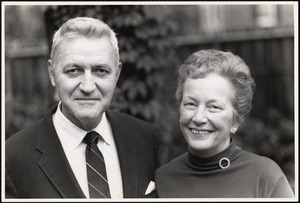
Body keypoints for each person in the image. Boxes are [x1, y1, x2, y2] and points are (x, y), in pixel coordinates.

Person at [5, 17, 159, 199]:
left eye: (100, 70)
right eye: (73, 70)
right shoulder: (12, 158)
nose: (87, 86)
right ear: (52, 73)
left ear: (116, 74)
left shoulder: (144, 138)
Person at [155, 49, 294, 198]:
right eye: (190, 104)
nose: (198, 118)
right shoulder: (162, 178)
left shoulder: (265, 177)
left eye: (214, 107)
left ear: (236, 120)